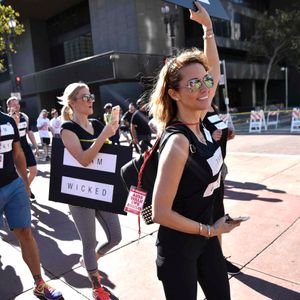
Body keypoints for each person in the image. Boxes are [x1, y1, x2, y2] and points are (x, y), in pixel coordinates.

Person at [149, 3, 242, 299]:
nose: (204, 87)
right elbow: (161, 212)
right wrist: (209, 230)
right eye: (193, 83)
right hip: (179, 247)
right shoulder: (178, 141)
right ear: (174, 93)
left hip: (207, 239)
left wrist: (208, 29)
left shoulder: (201, 121)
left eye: (206, 82)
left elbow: (211, 71)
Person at [58, 82, 122, 300]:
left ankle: (90, 260)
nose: (91, 100)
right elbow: (84, 159)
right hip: (79, 193)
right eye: (85, 97)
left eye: (91, 96)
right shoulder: (67, 129)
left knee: (116, 237)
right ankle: (96, 286)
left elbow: (106, 156)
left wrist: (112, 129)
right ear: (72, 103)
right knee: (89, 241)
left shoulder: (95, 123)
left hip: (101, 189)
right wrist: (104, 133)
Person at [0, 111, 62, 300]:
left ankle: (39, 284)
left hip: (13, 185)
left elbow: (17, 153)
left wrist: (25, 185)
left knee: (25, 232)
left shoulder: (8, 120)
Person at [203, 104, 240, 275]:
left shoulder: (212, 107)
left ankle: (218, 259)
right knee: (206, 218)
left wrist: (227, 136)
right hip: (203, 175)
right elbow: (189, 139)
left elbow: (219, 136)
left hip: (217, 172)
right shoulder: (194, 108)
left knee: (218, 215)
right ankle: (210, 260)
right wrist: (209, 137)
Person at [6, 96, 40, 200]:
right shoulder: (6, 119)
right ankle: (25, 191)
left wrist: (36, 146)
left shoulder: (24, 116)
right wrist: (14, 121)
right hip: (15, 148)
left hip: (25, 146)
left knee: (34, 171)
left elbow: (29, 132)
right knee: (20, 173)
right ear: (9, 107)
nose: (17, 106)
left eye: (18, 104)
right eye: (14, 104)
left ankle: (25, 188)